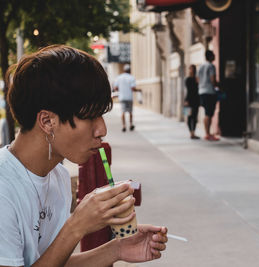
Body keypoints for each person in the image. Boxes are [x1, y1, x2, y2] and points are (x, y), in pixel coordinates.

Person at [0, 45, 167, 267]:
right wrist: (76, 225)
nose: (102, 130)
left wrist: (116, 249)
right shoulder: (4, 188)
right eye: (91, 116)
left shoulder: (56, 176)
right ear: (47, 121)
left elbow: (52, 263)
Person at [197, 50, 219, 141]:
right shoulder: (211, 66)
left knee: (207, 112)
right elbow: (213, 79)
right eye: (213, 55)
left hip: (201, 91)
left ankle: (207, 133)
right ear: (210, 56)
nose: (215, 56)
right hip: (209, 92)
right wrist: (218, 85)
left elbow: (197, 79)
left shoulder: (201, 66)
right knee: (209, 113)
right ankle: (208, 134)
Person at [113, 64, 141, 132]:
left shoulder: (119, 77)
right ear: (129, 70)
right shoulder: (131, 77)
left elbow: (115, 88)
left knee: (123, 112)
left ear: (124, 70)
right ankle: (131, 125)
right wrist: (138, 90)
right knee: (130, 112)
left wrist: (121, 90)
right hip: (129, 97)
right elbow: (133, 88)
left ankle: (124, 126)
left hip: (122, 97)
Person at [184, 65, 200, 139]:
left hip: (196, 100)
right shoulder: (187, 79)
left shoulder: (197, 79)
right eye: (190, 69)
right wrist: (186, 101)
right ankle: (191, 133)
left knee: (195, 117)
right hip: (188, 100)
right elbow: (188, 91)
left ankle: (193, 132)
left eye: (193, 69)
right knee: (189, 117)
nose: (191, 70)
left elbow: (197, 89)